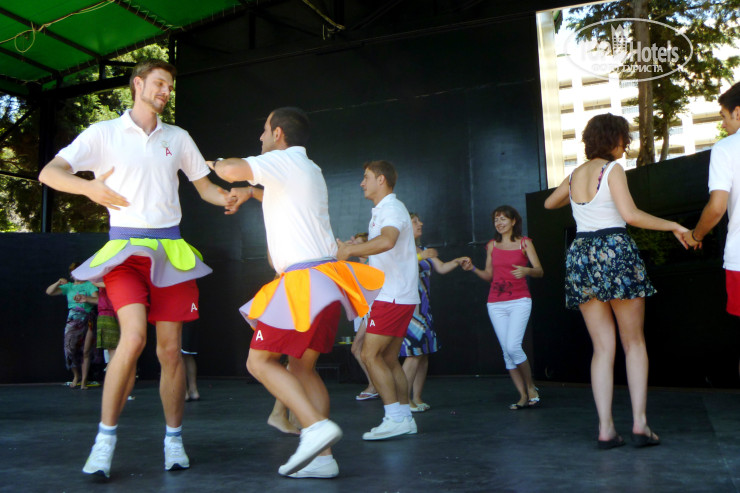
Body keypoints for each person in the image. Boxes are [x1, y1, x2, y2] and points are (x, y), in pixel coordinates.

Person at [38, 59, 236, 478]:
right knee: (131, 338)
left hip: (171, 251)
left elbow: (206, 189)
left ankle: (174, 440)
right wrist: (88, 187)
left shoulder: (178, 137)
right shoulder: (104, 133)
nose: (166, 91)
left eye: (170, 86)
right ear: (138, 84)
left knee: (170, 351)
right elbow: (49, 173)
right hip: (124, 251)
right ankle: (104, 443)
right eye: (160, 83)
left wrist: (232, 197)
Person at [210, 107, 384, 478]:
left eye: (263, 130)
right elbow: (281, 197)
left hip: (302, 284)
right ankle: (323, 459)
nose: (260, 137)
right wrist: (251, 192)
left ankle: (315, 427)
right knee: (303, 369)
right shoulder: (307, 168)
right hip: (325, 281)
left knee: (258, 363)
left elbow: (230, 170)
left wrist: (206, 163)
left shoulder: (282, 160)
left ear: (278, 133)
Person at [544, 113, 688, 449]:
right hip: (614, 251)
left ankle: (606, 429)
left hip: (582, 255)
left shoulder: (574, 175)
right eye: (624, 138)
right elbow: (631, 215)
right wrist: (673, 225)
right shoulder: (612, 170)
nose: (626, 144)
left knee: (602, 348)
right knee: (633, 342)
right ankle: (639, 424)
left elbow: (550, 203)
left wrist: (574, 190)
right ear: (614, 139)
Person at [336, 160, 420, 441]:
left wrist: (350, 251)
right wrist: (354, 250)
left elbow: (388, 241)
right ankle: (404, 417)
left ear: (381, 179)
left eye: (366, 177)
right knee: (388, 358)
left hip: (392, 296)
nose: (362, 183)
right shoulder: (384, 210)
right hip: (396, 295)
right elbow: (383, 251)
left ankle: (394, 418)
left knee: (369, 355)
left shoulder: (391, 209)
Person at [682, 82, 740, 379]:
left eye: (724, 116)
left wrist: (696, 235)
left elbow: (717, 207)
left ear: (738, 112)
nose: (723, 123)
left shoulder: (727, 148)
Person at [402, 213, 464, 412]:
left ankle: (417, 397)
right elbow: (399, 270)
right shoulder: (398, 249)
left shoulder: (423, 248)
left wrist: (457, 261)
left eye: (419, 221)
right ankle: (404, 401)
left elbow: (442, 267)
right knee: (413, 354)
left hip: (424, 309)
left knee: (423, 354)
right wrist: (421, 256)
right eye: (415, 221)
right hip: (409, 308)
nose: (420, 224)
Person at [46, 263, 99, 390]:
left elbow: (98, 300)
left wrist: (85, 298)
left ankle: (84, 380)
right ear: (71, 274)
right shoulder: (69, 287)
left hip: (88, 319)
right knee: (69, 349)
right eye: (74, 272)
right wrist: (58, 282)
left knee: (86, 350)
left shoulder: (89, 285)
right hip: (73, 320)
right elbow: (49, 292)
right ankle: (76, 376)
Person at [347, 232, 379, 401]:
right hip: (363, 312)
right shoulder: (358, 264)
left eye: (359, 243)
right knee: (362, 351)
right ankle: (376, 385)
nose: (355, 246)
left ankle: (375, 385)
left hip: (373, 311)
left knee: (361, 350)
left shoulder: (371, 262)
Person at [181, 322, 200, 402]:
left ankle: (183, 391)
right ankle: (193, 390)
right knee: (187, 354)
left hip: (178, 319)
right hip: (191, 319)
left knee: (179, 355)